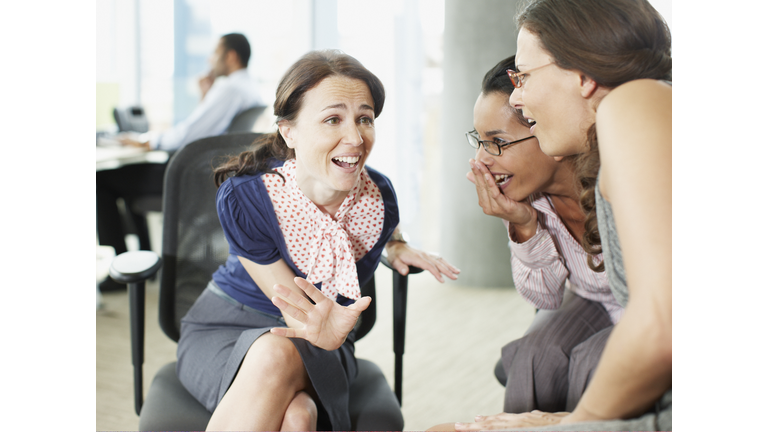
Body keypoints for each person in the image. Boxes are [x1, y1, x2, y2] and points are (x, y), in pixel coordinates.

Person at [176, 50, 461, 431]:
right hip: (228, 325)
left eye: (364, 118)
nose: (356, 137)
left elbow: (371, 222)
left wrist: (394, 245)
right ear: (288, 131)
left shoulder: (379, 198)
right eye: (332, 119)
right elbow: (297, 310)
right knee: (297, 415)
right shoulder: (247, 197)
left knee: (279, 360)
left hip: (323, 340)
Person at [431, 0, 671, 430]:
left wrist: (568, 424)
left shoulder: (633, 102)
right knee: (536, 353)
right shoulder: (617, 138)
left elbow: (658, 324)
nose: (518, 97)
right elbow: (548, 299)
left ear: (581, 73)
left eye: (522, 76)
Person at [465, 55, 624, 415]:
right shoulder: (530, 199)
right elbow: (545, 298)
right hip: (590, 299)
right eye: (479, 140)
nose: (481, 160)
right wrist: (524, 226)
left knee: (593, 363)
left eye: (497, 142)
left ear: (547, 129)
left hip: (651, 306)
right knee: (533, 354)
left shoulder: (617, 181)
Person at [97, 33, 264, 291]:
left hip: (186, 178)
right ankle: (140, 263)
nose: (211, 60)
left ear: (230, 56)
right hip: (206, 176)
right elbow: (207, 132)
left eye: (215, 54)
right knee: (128, 182)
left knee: (101, 180)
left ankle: (121, 272)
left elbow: (189, 134)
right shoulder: (248, 88)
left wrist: (146, 141)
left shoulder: (229, 88)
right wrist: (205, 96)